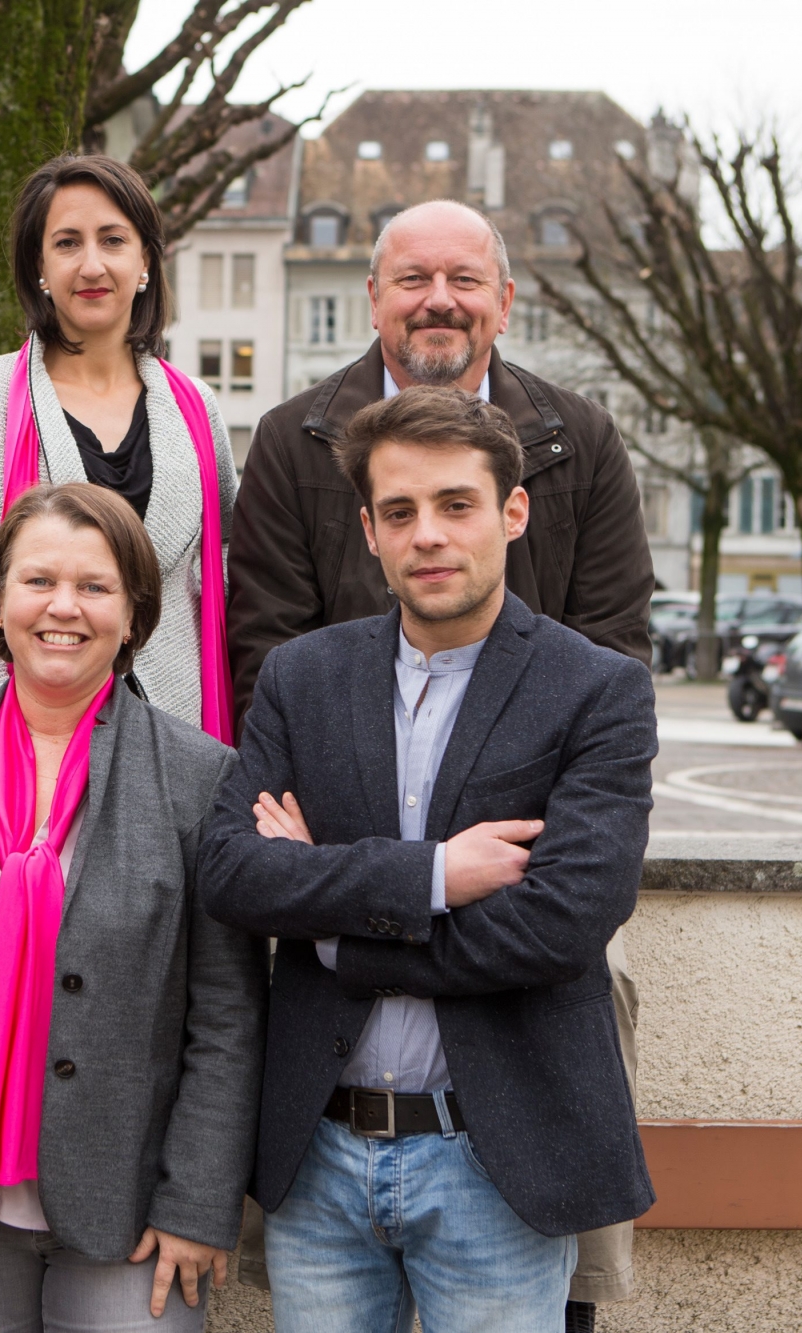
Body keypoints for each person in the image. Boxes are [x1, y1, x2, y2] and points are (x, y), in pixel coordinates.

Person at [225, 199, 652, 1323]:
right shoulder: (292, 445)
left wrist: (333, 915)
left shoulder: (579, 441)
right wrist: (419, 876)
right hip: (327, 1127)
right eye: (410, 276)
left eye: (464, 277)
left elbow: (566, 906)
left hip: (497, 1113)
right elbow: (260, 682)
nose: (427, 534)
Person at [0, 482, 267, 1332]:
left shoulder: (199, 775)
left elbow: (228, 1012)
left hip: (134, 1206)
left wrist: (199, 1200)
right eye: (36, 580)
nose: (62, 607)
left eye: (95, 586)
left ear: (135, 612)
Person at [0, 155, 238, 742]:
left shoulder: (199, 408)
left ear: (144, 259)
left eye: (113, 240)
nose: (92, 264)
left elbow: (223, 578)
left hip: (177, 741)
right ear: (38, 266)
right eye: (67, 242)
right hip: (23, 745)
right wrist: (21, 741)